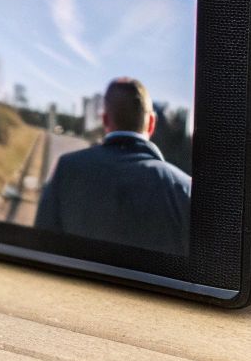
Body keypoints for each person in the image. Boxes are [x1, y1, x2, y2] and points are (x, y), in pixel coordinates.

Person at [35, 77, 191, 254]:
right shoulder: (185, 188)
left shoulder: (66, 168)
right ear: (152, 123)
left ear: (105, 120)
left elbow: (41, 247)